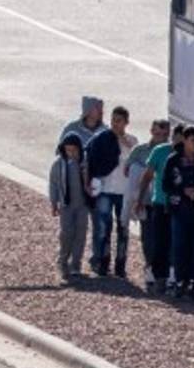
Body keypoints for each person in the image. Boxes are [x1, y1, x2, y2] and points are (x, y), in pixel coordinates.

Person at [162, 126, 194, 300]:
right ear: (184, 140)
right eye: (193, 141)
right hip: (179, 211)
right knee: (179, 247)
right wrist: (183, 191)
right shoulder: (173, 160)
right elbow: (165, 185)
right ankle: (179, 282)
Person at [86, 106, 136, 278]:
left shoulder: (132, 142)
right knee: (103, 228)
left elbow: (135, 166)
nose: (116, 123)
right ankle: (103, 262)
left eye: (119, 120)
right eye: (114, 120)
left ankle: (120, 265)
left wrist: (125, 145)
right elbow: (90, 160)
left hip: (124, 191)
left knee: (123, 229)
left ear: (126, 122)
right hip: (105, 189)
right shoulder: (101, 139)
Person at [135, 123, 183, 295]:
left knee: (176, 241)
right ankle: (158, 276)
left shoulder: (190, 155)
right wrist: (140, 198)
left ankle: (173, 275)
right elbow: (147, 176)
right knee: (159, 241)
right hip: (160, 202)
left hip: (180, 205)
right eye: (178, 137)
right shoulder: (160, 151)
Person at [126, 120, 171, 292]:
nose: (160, 137)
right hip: (145, 200)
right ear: (151, 131)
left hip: (160, 201)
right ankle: (150, 268)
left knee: (162, 239)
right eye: (158, 133)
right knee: (147, 238)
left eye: (164, 134)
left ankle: (160, 272)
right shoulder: (139, 150)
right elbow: (128, 169)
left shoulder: (169, 152)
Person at [49, 132, 89, 281]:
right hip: (66, 205)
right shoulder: (59, 164)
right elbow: (53, 184)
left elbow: (91, 181)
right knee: (66, 234)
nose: (71, 153)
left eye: (74, 150)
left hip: (82, 205)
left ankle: (76, 264)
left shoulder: (85, 162)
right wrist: (54, 203)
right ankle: (63, 261)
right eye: (68, 150)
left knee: (80, 234)